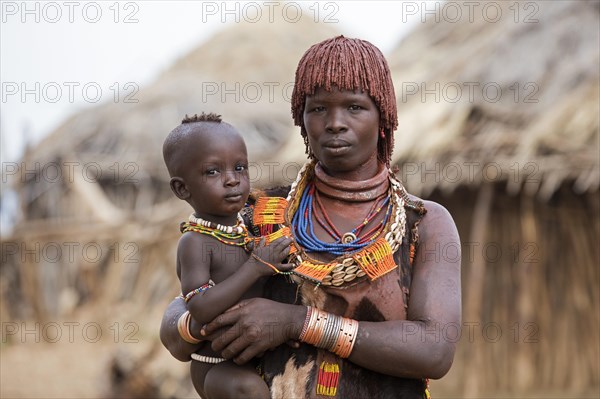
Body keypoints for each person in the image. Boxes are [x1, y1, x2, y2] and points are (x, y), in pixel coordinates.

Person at [161, 36, 461, 399]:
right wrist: (199, 322)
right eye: (317, 109)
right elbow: (176, 331)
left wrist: (297, 322)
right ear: (301, 122)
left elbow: (434, 350)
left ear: (384, 117)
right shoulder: (257, 212)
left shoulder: (423, 223)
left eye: (354, 107)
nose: (335, 123)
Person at [162, 112, 293, 398]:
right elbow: (200, 308)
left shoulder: (250, 227)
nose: (232, 180)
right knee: (250, 391)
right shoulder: (195, 242)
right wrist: (256, 266)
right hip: (218, 367)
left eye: (240, 168)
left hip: (257, 360)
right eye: (213, 172)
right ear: (182, 188)